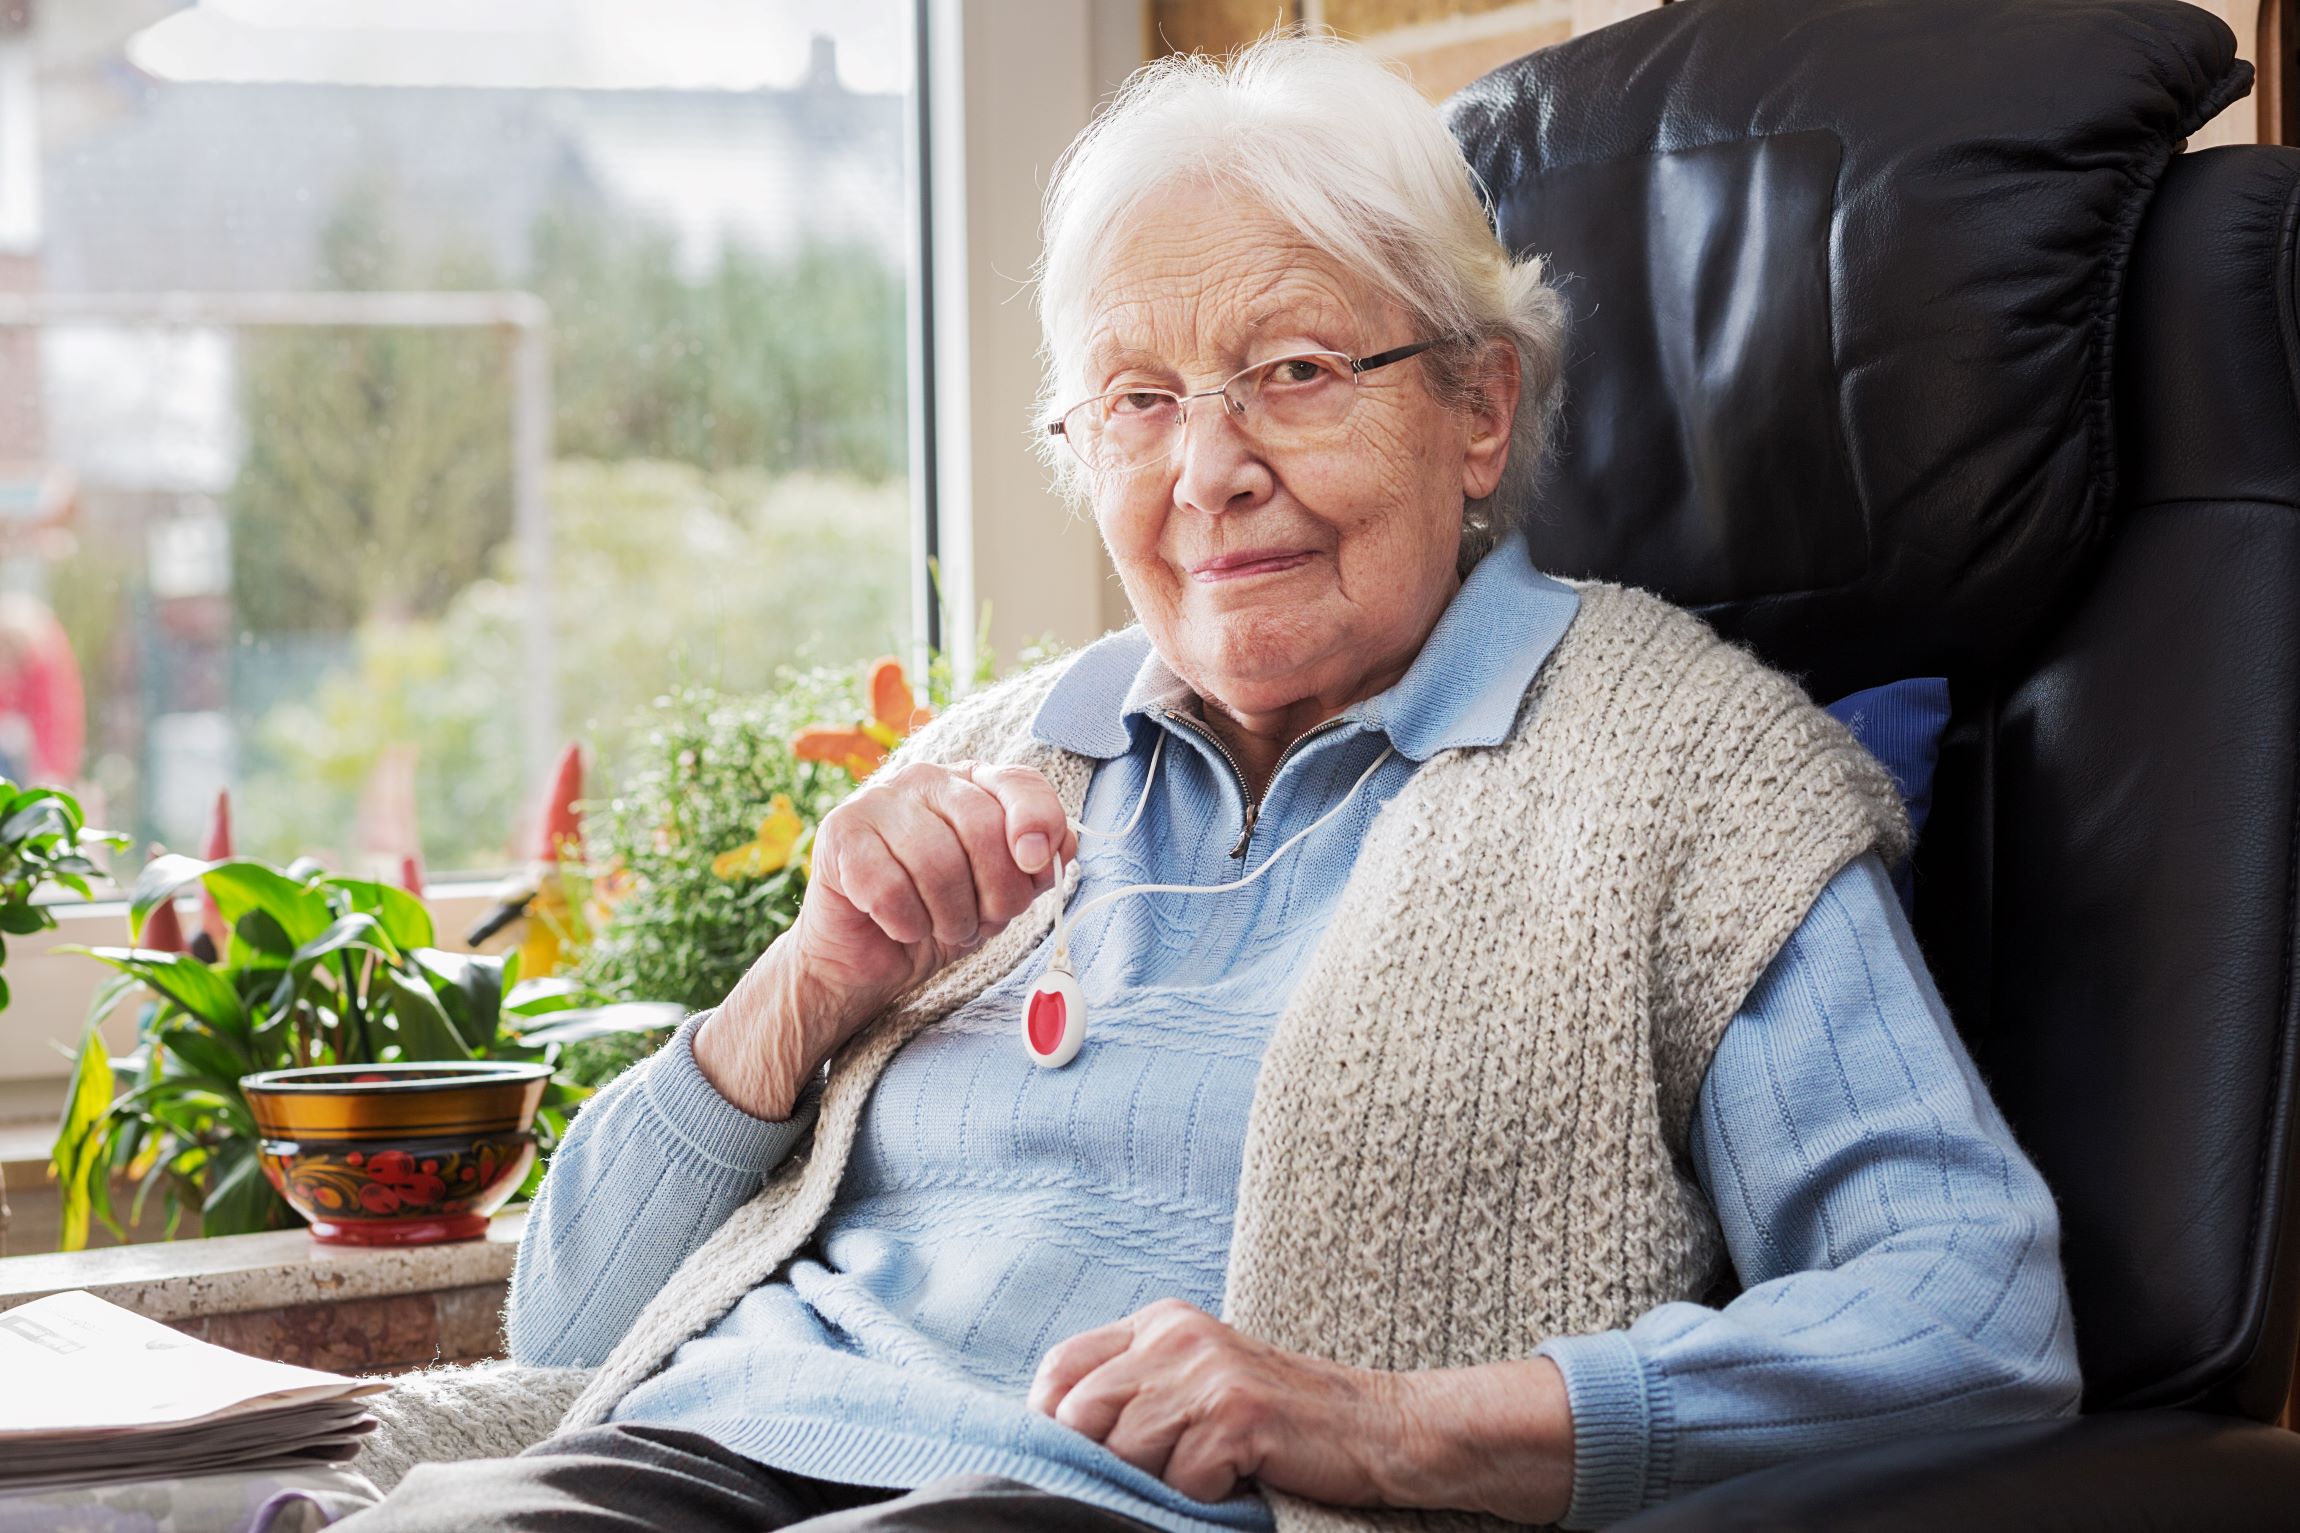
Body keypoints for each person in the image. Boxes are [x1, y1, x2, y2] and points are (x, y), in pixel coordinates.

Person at [339, 33, 2078, 1533]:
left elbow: (1970, 1308)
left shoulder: (1686, 777)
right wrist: (805, 990)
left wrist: (1379, 1424)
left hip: (1078, 1504)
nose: (1207, 471)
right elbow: (565, 1328)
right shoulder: (982, 767)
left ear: (1481, 410)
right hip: (695, 1449)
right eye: (1138, 400)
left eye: (1295, 374)